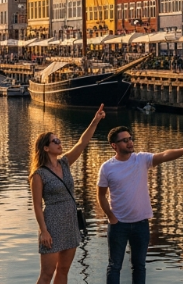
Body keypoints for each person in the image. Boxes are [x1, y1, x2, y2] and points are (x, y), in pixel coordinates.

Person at [97, 126, 183, 284]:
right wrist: (111, 217)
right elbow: (101, 195)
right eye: (124, 140)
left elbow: (164, 155)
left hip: (141, 223)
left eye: (130, 138)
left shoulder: (141, 159)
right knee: (115, 266)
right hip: (118, 224)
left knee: (139, 266)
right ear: (114, 145)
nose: (130, 142)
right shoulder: (107, 167)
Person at [30, 105, 106, 284]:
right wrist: (44, 231)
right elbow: (37, 206)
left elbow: (82, 143)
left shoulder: (64, 163)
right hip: (52, 223)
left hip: (70, 221)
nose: (59, 143)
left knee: (63, 271)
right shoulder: (38, 174)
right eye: (55, 141)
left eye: (59, 140)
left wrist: (95, 121)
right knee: (47, 274)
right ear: (46, 148)